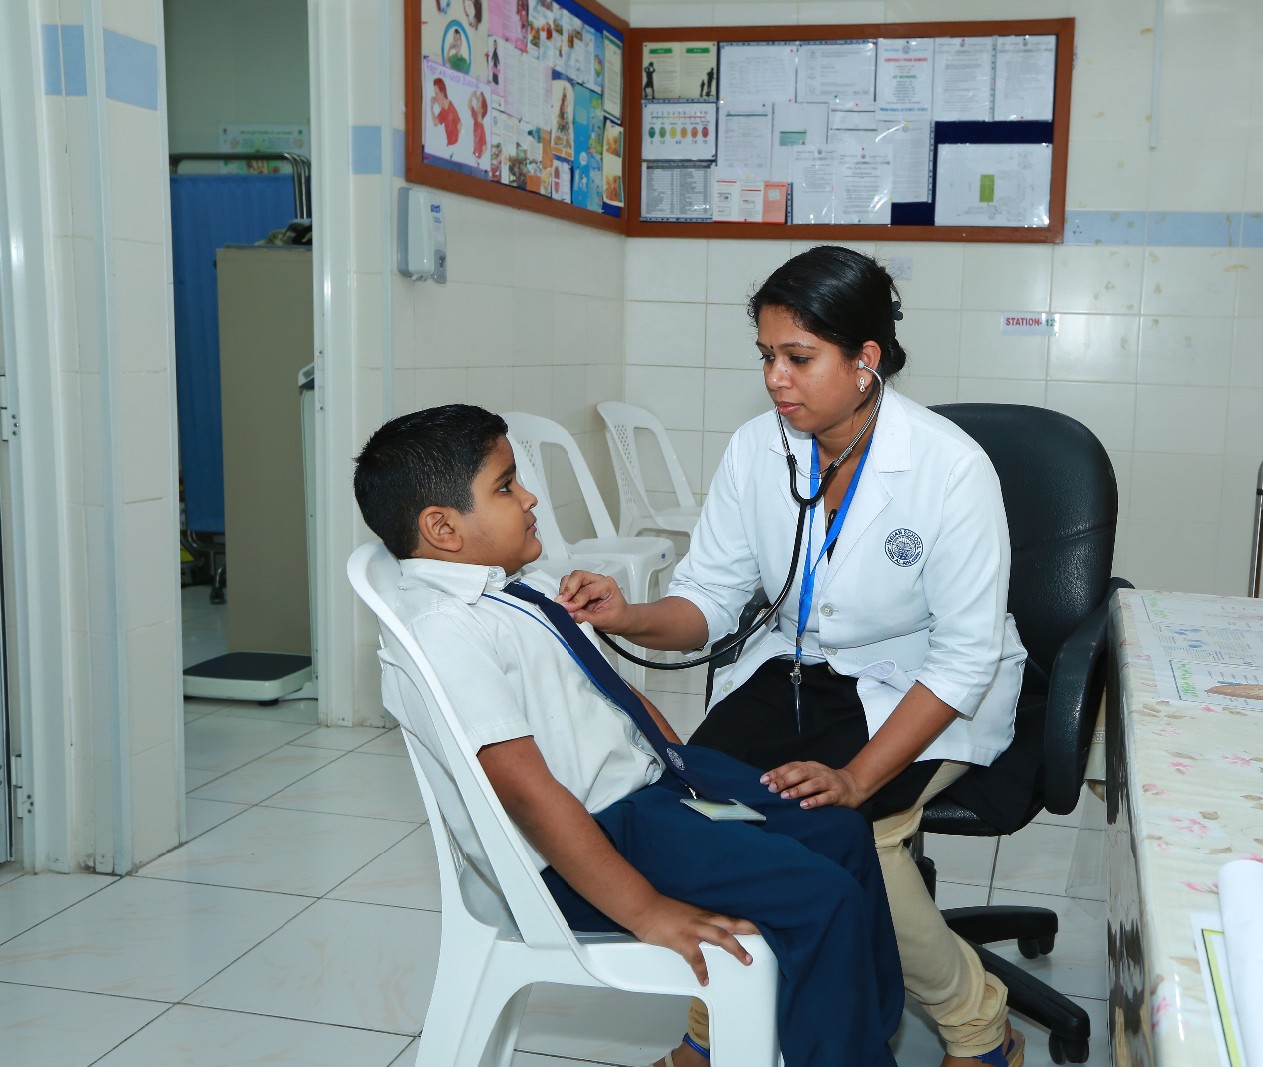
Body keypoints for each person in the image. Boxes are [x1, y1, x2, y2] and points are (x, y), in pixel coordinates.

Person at [558, 246, 1028, 1067]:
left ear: (865, 359)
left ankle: (977, 1024)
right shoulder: (758, 449)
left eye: (798, 358)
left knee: (856, 833)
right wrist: (628, 613)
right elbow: (707, 600)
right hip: (797, 668)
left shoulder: (951, 469)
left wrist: (858, 779)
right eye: (767, 355)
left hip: (919, 682)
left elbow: (962, 660)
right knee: (699, 812)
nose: (776, 378)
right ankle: (719, 1021)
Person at [353, 405, 904, 1067]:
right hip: (600, 837)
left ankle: (857, 1036)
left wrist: (686, 770)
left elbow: (610, 698)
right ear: (442, 528)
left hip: (655, 792)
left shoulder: (514, 588)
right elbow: (526, 793)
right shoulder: (448, 629)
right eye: (505, 486)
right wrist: (646, 910)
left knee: (839, 830)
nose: (529, 498)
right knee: (821, 899)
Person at [429, 77, 461, 147]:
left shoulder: (450, 107)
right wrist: (431, 107)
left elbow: (459, 124)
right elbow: (435, 123)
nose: (435, 97)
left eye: (436, 94)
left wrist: (456, 144)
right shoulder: (444, 110)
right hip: (449, 145)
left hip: (454, 145)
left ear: (442, 93)